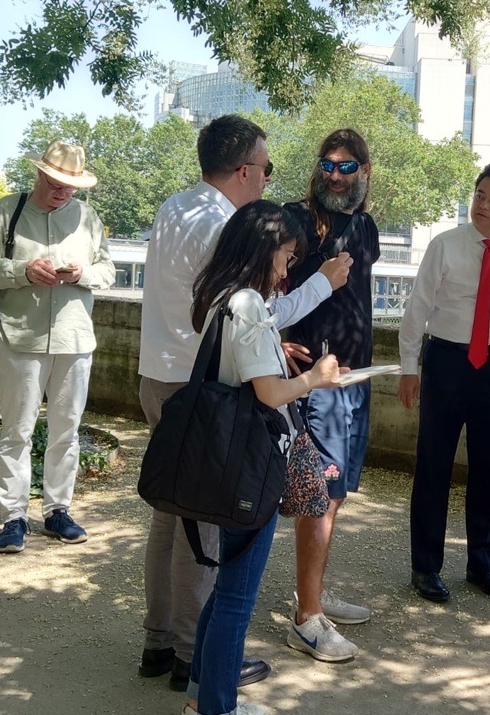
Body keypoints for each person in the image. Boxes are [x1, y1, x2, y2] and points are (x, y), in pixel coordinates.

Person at [137, 115, 352, 689]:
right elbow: (251, 308)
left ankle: (160, 641)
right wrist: (324, 283)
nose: (266, 181)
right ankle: (194, 655)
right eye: (265, 169)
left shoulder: (173, 208)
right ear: (244, 170)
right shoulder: (224, 225)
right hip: (203, 390)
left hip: (161, 373)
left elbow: (206, 307)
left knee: (171, 511)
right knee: (204, 523)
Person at [184, 200, 343, 715]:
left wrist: (317, 287)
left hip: (221, 459)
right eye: (287, 256)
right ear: (266, 248)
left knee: (225, 587)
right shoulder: (248, 301)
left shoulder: (221, 295)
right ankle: (218, 707)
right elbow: (271, 394)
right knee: (236, 597)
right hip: (250, 466)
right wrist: (314, 379)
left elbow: (264, 336)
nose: (286, 268)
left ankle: (201, 695)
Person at [0, 140, 115, 554]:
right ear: (40, 174)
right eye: (55, 183)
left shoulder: (87, 217)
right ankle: (13, 517)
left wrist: (82, 272)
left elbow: (108, 270)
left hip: (74, 339)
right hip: (19, 337)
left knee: (66, 432)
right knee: (16, 430)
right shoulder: (8, 210)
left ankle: (57, 511)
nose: (62, 191)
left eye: (70, 186)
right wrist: (21, 270)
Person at [398, 161, 490, 602]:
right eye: (479, 195)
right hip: (446, 363)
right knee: (433, 467)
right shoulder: (445, 246)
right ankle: (426, 568)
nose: (483, 205)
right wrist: (407, 368)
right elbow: (416, 309)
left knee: (487, 472)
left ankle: (482, 565)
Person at [280, 128, 379, 662]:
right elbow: (261, 285)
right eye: (328, 164)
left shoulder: (364, 226)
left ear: (364, 171)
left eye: (347, 166)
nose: (335, 175)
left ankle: (310, 591)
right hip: (316, 382)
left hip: (354, 378)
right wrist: (275, 337)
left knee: (334, 495)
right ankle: (307, 618)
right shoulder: (294, 219)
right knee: (318, 495)